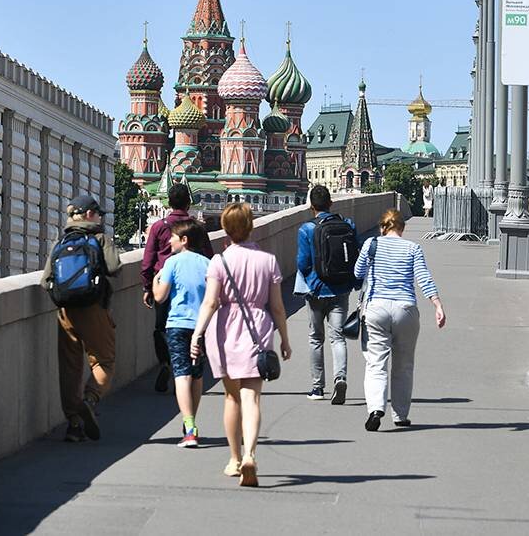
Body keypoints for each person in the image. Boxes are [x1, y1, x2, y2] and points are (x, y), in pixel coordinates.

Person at [190, 202, 292, 487]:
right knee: (252, 397)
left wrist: (197, 334)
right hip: (257, 328)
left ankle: (234, 459)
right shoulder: (268, 261)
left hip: (225, 331)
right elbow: (278, 308)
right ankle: (250, 454)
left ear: (225, 228)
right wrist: (284, 339)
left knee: (232, 397)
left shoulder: (219, 261)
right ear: (250, 227)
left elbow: (210, 302)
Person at [354, 209, 446, 432]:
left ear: (382, 227)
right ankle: (401, 415)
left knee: (376, 363)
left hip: (377, 308)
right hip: (405, 308)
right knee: (404, 365)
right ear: (402, 228)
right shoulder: (412, 248)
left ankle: (376, 409)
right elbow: (423, 276)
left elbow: (358, 272)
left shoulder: (371, 244)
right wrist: (437, 304)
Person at [42, 195, 122, 443]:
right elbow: (114, 267)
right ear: (89, 215)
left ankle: (74, 424)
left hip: (65, 312)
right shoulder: (99, 238)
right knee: (104, 361)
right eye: (98, 214)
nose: (100, 218)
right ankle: (90, 399)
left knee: (70, 368)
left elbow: (46, 281)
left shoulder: (61, 241)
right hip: (93, 308)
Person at [142, 183, 214, 393]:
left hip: (164, 282)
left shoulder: (158, 226)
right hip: (193, 283)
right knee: (192, 327)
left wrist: (147, 286)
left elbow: (148, 259)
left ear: (169, 202)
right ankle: (188, 369)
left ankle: (166, 362)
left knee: (161, 328)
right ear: (188, 203)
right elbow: (208, 255)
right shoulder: (197, 227)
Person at [152, 220, 211, 448]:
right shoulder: (208, 263)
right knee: (196, 375)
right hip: (201, 327)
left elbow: (160, 297)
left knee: (181, 374)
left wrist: (157, 280)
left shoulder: (172, 263)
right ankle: (191, 422)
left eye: (173, 237)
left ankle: (189, 426)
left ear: (184, 240)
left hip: (177, 324)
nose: (169, 241)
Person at [296, 185, 356, 404]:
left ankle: (317, 387)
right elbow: (355, 257)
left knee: (315, 338)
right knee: (337, 336)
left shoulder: (306, 229)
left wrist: (312, 280)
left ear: (311, 206)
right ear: (331, 203)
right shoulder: (348, 224)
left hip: (316, 291)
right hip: (341, 288)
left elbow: (302, 263)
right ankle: (340, 377)